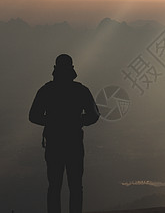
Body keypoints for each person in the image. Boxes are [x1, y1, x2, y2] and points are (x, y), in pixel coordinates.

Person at [29, 54, 100, 213]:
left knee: (54, 186)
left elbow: (33, 116)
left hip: (54, 144)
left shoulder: (46, 90)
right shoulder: (80, 91)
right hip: (73, 143)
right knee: (75, 186)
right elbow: (94, 115)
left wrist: (52, 121)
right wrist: (79, 121)